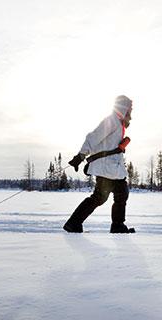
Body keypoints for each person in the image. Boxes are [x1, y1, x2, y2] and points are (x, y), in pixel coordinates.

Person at [64, 95, 135, 234]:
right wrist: (81, 155)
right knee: (100, 198)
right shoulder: (112, 121)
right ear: (124, 108)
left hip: (113, 168)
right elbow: (93, 137)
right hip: (106, 168)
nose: (131, 113)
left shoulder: (118, 124)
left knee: (120, 194)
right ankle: (74, 223)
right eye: (130, 109)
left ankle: (117, 226)